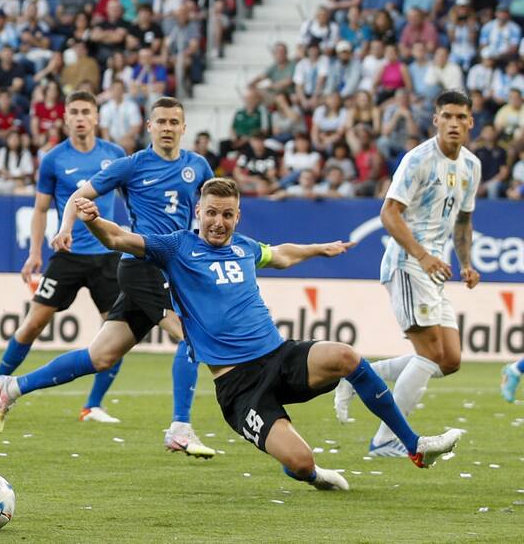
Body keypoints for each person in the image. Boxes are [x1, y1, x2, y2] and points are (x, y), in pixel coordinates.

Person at [73, 178, 460, 489]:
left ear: (237, 217)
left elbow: (282, 254)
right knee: (301, 461)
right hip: (239, 388)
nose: (218, 222)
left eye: (226, 215)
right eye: (211, 213)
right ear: (198, 212)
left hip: (280, 357)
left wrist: (317, 250)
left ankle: (414, 445)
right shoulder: (177, 247)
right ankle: (311, 474)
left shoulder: (243, 247)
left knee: (344, 355)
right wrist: (92, 219)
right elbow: (119, 238)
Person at [0, 97, 218, 458]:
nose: (168, 128)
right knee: (191, 337)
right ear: (149, 127)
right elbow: (79, 196)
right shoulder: (131, 165)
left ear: (184, 127)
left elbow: (214, 210)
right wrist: (65, 228)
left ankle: (13, 387)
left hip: (174, 269)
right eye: (161, 122)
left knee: (101, 357)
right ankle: (180, 428)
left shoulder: (199, 167)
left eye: (175, 122)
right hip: (141, 265)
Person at [0, 91, 128, 422]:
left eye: (86, 112)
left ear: (96, 118)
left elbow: (131, 197)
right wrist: (34, 252)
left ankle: (92, 405)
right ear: (66, 119)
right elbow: (40, 209)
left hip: (107, 256)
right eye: (75, 112)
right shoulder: (53, 159)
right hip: (67, 254)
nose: (80, 118)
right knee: (33, 324)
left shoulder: (115, 155)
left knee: (117, 332)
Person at [333, 90, 481, 457]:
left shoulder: (471, 166)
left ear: (470, 122)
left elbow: (463, 220)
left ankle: (358, 376)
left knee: (449, 360)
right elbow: (389, 213)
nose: (454, 123)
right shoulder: (418, 160)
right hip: (406, 264)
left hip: (432, 270)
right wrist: (423, 255)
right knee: (429, 354)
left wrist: (465, 262)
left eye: (461, 117)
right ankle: (387, 439)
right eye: (447, 116)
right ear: (436, 120)